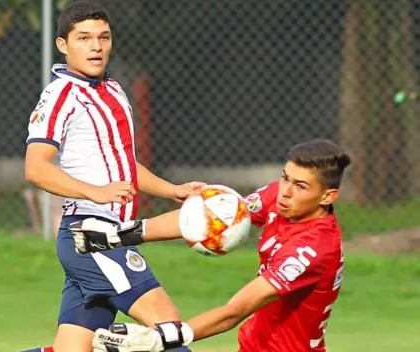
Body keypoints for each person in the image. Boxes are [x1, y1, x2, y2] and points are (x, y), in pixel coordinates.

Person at [22, 2, 203, 352]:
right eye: (84, 38)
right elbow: (36, 167)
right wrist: (95, 192)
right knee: (169, 328)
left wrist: (173, 190)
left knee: (74, 349)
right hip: (91, 235)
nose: (96, 46)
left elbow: (124, 166)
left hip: (114, 235)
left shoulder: (113, 91)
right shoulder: (60, 95)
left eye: (103, 37)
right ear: (63, 45)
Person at [71, 139, 351, 352]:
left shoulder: (312, 250)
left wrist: (161, 338)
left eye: (300, 186)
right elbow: (206, 217)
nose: (286, 191)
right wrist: (122, 235)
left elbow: (236, 311)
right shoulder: (278, 198)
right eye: (285, 177)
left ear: (328, 196)